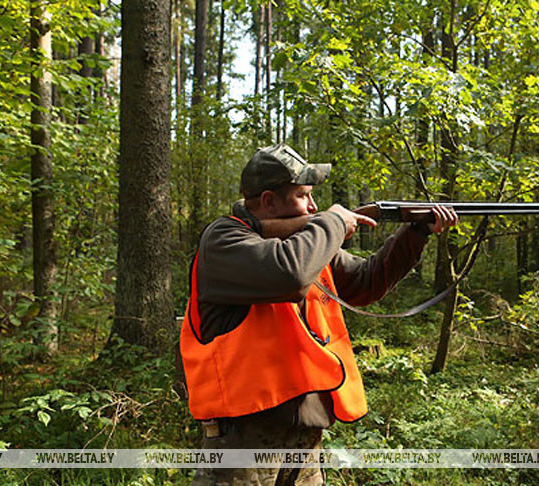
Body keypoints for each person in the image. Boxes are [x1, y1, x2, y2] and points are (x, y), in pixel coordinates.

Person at [180, 144, 457, 485]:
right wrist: (333, 222)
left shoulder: (307, 243)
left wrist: (416, 232)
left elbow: (365, 282)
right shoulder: (224, 240)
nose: (313, 206)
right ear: (268, 201)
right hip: (244, 441)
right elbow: (290, 274)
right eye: (302, 196)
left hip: (305, 443)